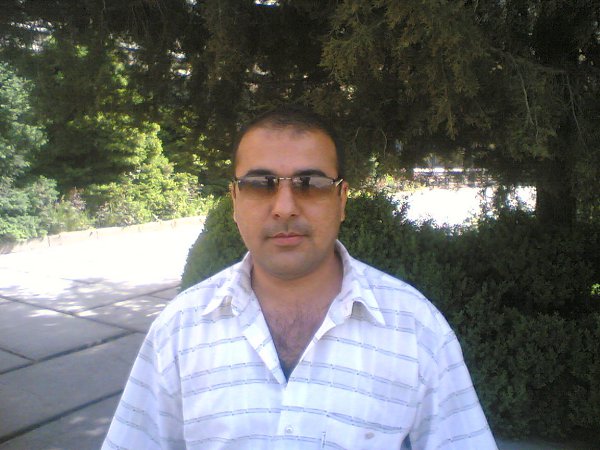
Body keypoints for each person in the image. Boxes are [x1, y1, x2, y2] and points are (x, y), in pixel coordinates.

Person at [102, 105, 497, 449]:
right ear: (235, 200)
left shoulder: (415, 328)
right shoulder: (180, 328)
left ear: (341, 199)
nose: (285, 207)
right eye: (260, 184)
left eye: (310, 184)